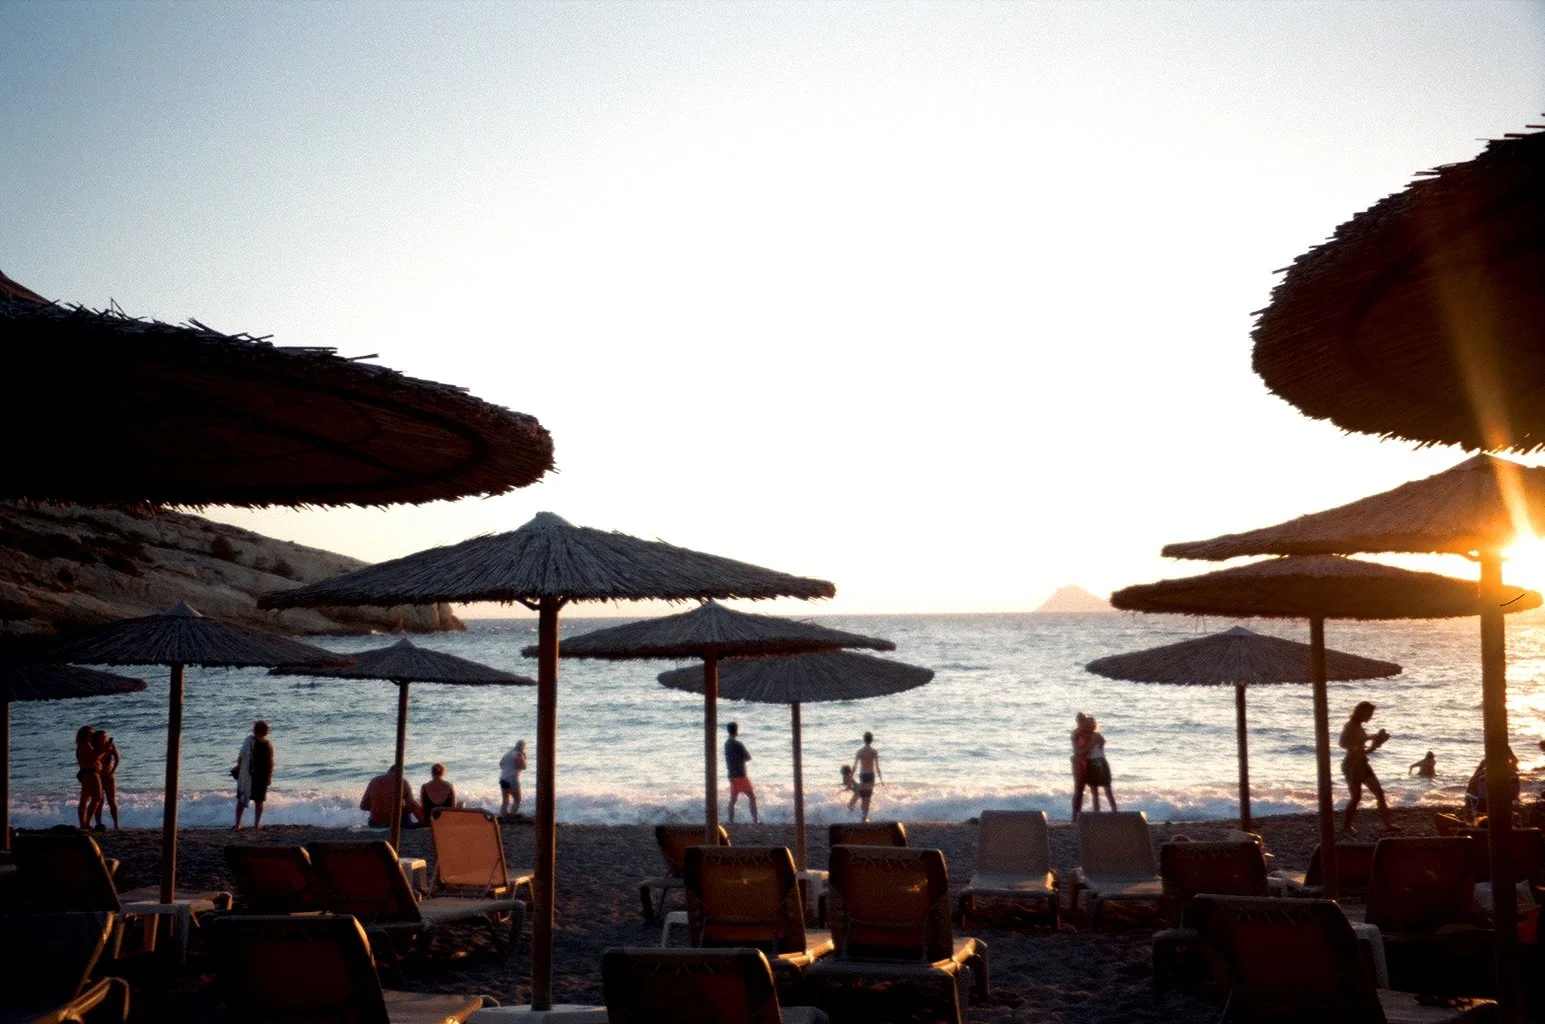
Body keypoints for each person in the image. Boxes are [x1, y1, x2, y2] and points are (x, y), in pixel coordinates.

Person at [1340, 701, 1397, 834]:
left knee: (1379, 793)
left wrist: (1375, 738)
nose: (1371, 716)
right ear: (1361, 712)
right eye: (1369, 713)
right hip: (1352, 765)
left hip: (1362, 764)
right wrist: (1364, 747)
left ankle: (1388, 824)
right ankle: (1346, 826)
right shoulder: (1351, 725)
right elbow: (1342, 743)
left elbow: (1361, 740)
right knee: (1356, 797)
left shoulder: (1358, 726)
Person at [233, 720, 275, 830]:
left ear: (254, 730)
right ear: (266, 732)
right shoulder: (268, 745)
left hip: (249, 775)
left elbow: (241, 756)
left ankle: (238, 824)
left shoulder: (249, 740)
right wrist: (269, 776)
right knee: (259, 801)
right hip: (261, 776)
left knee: (242, 799)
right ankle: (256, 825)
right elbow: (270, 762)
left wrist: (238, 767)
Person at [725, 722, 758, 824]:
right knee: (752, 797)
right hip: (740, 774)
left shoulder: (727, 744)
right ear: (736, 731)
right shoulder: (738, 744)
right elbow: (748, 757)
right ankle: (755, 820)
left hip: (731, 774)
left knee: (733, 800)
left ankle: (731, 821)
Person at [1082, 716, 1117, 812]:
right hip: (1091, 763)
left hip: (1099, 762)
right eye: (1088, 724)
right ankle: (1097, 813)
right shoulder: (1085, 736)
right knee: (1094, 792)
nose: (1090, 726)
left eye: (1091, 724)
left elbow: (1092, 748)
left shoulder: (1096, 735)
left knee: (1107, 790)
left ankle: (1115, 812)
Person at [75, 725, 103, 830]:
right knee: (96, 797)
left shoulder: (82, 745)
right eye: (91, 733)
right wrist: (103, 750)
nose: (93, 735)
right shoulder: (85, 745)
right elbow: (94, 758)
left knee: (85, 798)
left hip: (87, 773)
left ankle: (84, 823)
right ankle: (85, 822)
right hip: (91, 772)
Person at [851, 731, 882, 823]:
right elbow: (877, 767)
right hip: (871, 775)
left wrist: (850, 777)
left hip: (863, 775)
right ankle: (864, 817)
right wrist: (881, 778)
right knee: (868, 797)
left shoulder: (859, 752)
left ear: (864, 740)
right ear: (871, 740)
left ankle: (862, 816)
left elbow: (855, 766)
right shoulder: (874, 752)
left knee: (863, 796)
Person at [93, 730, 120, 829]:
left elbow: (117, 759)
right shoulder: (94, 748)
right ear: (96, 739)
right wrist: (105, 750)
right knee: (99, 801)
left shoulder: (111, 745)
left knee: (112, 801)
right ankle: (98, 824)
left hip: (109, 776)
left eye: (105, 737)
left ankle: (116, 824)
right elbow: (96, 760)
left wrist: (112, 772)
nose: (103, 739)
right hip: (98, 777)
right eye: (101, 738)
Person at [1071, 712, 1091, 819]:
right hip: (1079, 762)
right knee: (1078, 789)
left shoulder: (1086, 733)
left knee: (1082, 789)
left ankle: (1079, 814)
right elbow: (1076, 750)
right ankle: (1075, 815)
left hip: (1086, 761)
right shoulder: (1076, 733)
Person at [499, 740, 527, 817]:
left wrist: (508, 769)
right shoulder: (519, 754)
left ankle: (503, 816)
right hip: (512, 779)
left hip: (503, 778)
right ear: (523, 747)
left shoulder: (507, 753)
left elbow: (501, 764)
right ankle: (512, 815)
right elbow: (524, 767)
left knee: (505, 800)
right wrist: (525, 758)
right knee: (517, 799)